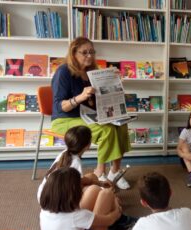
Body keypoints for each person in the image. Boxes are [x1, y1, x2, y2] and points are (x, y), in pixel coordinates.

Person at [51, 37, 131, 190]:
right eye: (84, 52)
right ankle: (99, 172)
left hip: (87, 116)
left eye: (92, 52)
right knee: (106, 130)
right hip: (65, 119)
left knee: (121, 124)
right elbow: (59, 106)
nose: (89, 56)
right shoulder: (63, 72)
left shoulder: (92, 72)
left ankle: (114, 171)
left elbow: (97, 102)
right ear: (74, 53)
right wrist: (80, 97)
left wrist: (115, 85)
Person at [36, 125, 136, 230]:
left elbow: (81, 180)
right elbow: (76, 192)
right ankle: (112, 226)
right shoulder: (75, 164)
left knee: (92, 177)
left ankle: (111, 215)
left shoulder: (65, 154)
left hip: (47, 200)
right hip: (60, 205)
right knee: (101, 193)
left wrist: (99, 183)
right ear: (88, 145)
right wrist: (110, 199)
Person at [39, 167, 122, 230]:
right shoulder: (76, 216)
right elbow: (110, 219)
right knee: (107, 194)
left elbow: (81, 181)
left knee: (94, 190)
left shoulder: (46, 208)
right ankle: (118, 225)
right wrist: (117, 207)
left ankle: (103, 216)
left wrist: (99, 183)